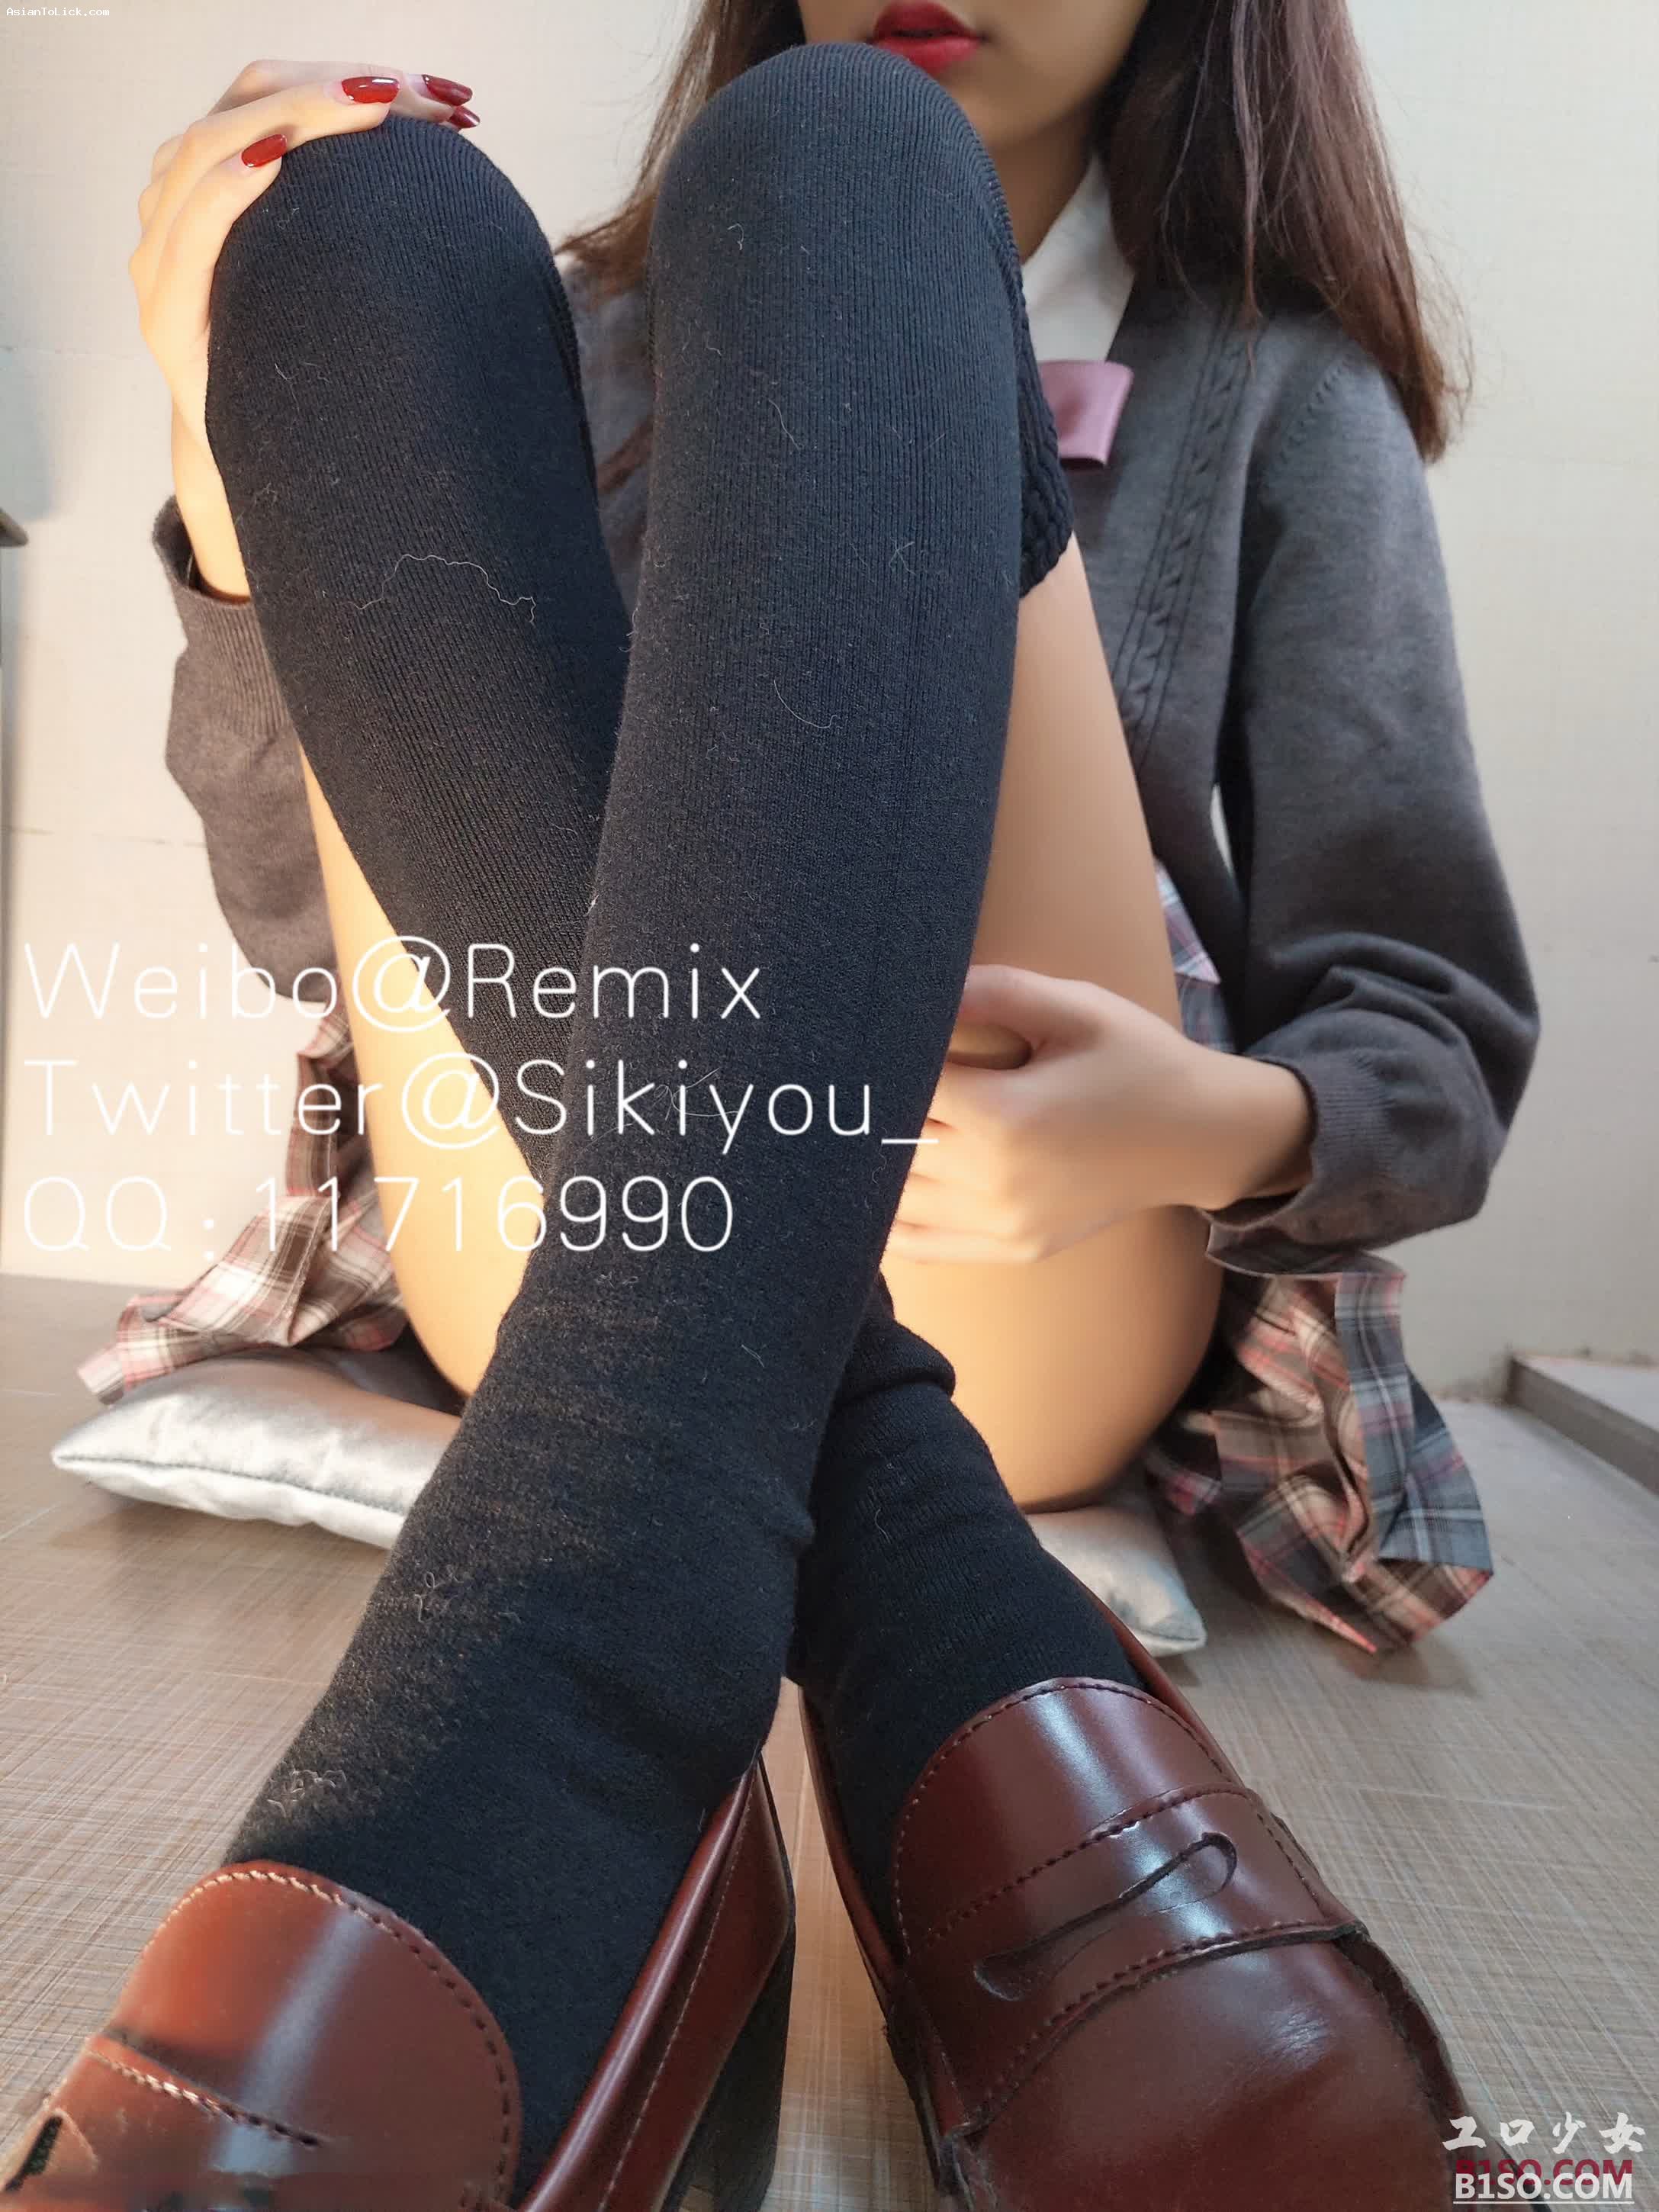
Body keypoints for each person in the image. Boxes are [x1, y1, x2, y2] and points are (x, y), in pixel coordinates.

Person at [8, 6, 1535, 2208]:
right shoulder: (573, 331)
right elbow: (302, 932)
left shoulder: (1279, 386)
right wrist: (243, 469)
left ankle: (595, 1618)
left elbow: (1428, 1021)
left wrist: (1196, 1122)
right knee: (353, 227)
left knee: (843, 160)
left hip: (1027, 1233)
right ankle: (892, 1577)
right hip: (562, 1207)